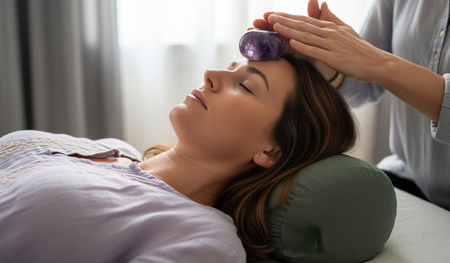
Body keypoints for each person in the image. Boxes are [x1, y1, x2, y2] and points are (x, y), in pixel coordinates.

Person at [0, 54, 356, 262]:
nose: (212, 75)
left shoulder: (204, 240)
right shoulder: (115, 149)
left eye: (246, 86)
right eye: (230, 67)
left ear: (271, 151)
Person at [253, 0, 450, 210]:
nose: (210, 76)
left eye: (245, 85)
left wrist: (380, 64)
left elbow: (374, 64)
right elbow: (367, 80)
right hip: (408, 179)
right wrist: (328, 66)